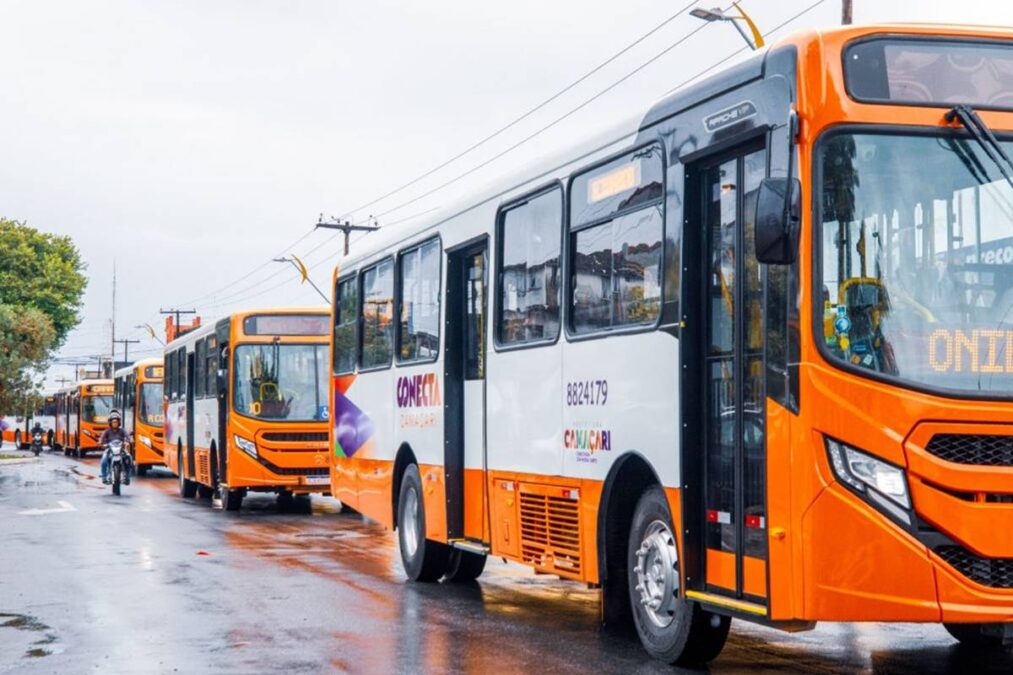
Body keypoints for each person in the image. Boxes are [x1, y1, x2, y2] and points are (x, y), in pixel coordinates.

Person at [99, 410, 133, 485]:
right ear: (110, 423)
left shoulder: (122, 431)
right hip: (110, 449)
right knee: (104, 459)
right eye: (113, 422)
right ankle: (104, 477)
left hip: (121, 449)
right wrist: (101, 443)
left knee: (129, 458)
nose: (115, 423)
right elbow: (101, 438)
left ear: (119, 422)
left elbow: (128, 437)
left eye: (116, 422)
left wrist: (128, 442)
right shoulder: (107, 431)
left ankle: (127, 477)